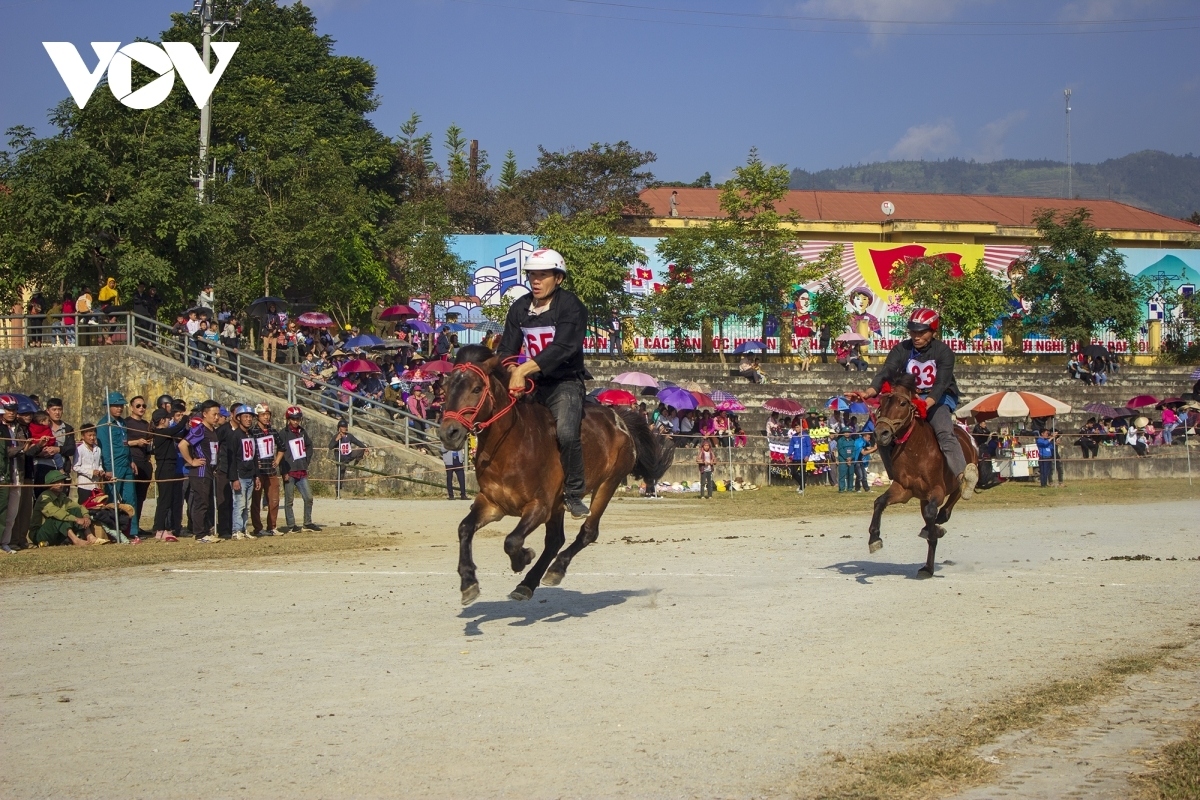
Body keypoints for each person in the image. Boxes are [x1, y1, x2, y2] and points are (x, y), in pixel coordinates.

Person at [496, 248, 593, 519]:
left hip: (566, 383)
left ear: (558, 278)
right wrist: (514, 369)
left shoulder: (570, 306)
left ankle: (574, 494)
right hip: (534, 384)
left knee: (565, 432)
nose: (535, 281)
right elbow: (505, 349)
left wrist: (523, 369)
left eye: (543, 275)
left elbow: (564, 347)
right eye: (532, 276)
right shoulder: (519, 307)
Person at [849, 307, 977, 497]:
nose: (916, 336)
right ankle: (896, 475)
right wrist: (869, 392)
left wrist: (927, 404)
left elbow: (941, 383)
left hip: (939, 397)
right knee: (883, 432)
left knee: (944, 431)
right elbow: (886, 372)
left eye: (921, 332)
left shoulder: (944, 352)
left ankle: (962, 477)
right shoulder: (901, 349)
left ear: (933, 331)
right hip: (909, 398)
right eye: (913, 332)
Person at [180, 400, 221, 542]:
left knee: (207, 502)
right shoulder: (199, 430)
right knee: (201, 503)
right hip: (200, 473)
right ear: (204, 414)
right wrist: (191, 461)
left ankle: (205, 530)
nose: (216, 417)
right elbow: (183, 445)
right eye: (213, 414)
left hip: (210, 472)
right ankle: (199, 534)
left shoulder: (212, 430)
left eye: (218, 414)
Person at [96, 391, 138, 516]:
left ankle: (131, 531)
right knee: (112, 498)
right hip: (114, 464)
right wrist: (108, 468)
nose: (119, 408)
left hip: (126, 463)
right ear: (108, 407)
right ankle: (113, 529)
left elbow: (126, 443)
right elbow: (104, 448)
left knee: (130, 498)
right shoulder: (104, 425)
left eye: (121, 406)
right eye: (116, 406)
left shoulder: (123, 422)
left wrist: (131, 460)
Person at [279, 407, 320, 533]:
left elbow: (309, 446)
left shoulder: (302, 432)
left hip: (301, 471)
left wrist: (306, 460)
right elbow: (280, 453)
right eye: (293, 419)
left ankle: (307, 522)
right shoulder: (283, 433)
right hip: (289, 471)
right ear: (288, 419)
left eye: (298, 419)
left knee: (309, 497)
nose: (296, 421)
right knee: (289, 500)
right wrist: (283, 471)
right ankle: (291, 525)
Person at [29, 470, 95, 547]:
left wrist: (86, 516)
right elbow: (56, 513)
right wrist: (76, 519)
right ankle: (76, 540)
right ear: (50, 484)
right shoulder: (44, 497)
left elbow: (79, 507)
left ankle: (90, 536)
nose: (60, 484)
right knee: (59, 517)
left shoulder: (62, 496)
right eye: (57, 482)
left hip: (56, 533)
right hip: (39, 534)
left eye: (61, 481)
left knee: (76, 510)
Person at [222, 405, 260, 539]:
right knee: (239, 504)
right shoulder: (235, 435)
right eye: (246, 417)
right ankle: (236, 530)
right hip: (239, 475)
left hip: (250, 474)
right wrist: (234, 478)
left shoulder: (251, 435)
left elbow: (254, 456)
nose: (249, 419)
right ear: (239, 418)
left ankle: (244, 529)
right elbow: (231, 458)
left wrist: (256, 476)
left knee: (247, 505)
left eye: (250, 417)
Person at [2, 395, 33, 553]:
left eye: (14, 410)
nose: (12, 413)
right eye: (8, 410)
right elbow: (6, 451)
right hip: (3, 475)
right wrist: (22, 448)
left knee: (12, 513)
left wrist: (35, 445)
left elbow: (25, 449)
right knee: (2, 511)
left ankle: (5, 543)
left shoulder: (20, 428)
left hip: (18, 473)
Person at [151, 404, 186, 541]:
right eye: (167, 419)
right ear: (162, 420)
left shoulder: (166, 433)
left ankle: (163, 528)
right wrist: (185, 417)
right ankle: (160, 529)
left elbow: (179, 433)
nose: (169, 421)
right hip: (164, 468)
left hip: (170, 467)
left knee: (168, 500)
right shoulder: (160, 432)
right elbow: (177, 428)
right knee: (164, 502)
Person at [32, 397, 76, 493]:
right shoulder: (39, 426)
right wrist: (40, 453)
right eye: (54, 410)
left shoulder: (68, 429)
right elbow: (31, 446)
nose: (57, 413)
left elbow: (72, 449)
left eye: (59, 409)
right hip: (42, 468)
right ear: (47, 410)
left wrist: (58, 449)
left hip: (61, 468)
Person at [250, 404, 282, 536]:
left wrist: (277, 460)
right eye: (263, 415)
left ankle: (272, 526)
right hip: (258, 471)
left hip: (271, 470)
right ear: (258, 416)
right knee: (256, 501)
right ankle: (258, 527)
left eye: (268, 414)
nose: (266, 417)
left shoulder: (273, 431)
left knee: (274, 500)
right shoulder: (253, 432)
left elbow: (282, 447)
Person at [124, 396, 153, 533]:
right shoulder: (125, 423)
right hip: (131, 462)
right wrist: (136, 442)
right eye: (138, 406)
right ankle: (129, 526)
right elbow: (121, 443)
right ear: (131, 408)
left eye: (143, 406)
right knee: (130, 495)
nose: (141, 408)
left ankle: (137, 525)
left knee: (141, 496)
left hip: (144, 462)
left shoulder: (146, 425)